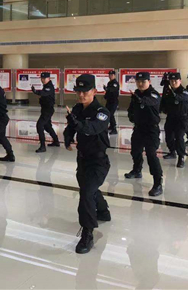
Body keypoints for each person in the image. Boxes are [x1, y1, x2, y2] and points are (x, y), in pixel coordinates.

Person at [63, 74, 111, 254]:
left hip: (98, 161)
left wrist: (76, 123)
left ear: (94, 91)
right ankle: (103, 211)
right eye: (78, 91)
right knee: (88, 189)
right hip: (82, 159)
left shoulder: (102, 112)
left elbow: (92, 129)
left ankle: (87, 233)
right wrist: (68, 138)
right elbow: (70, 128)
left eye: (85, 91)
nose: (81, 95)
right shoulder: (77, 109)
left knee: (86, 193)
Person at [124, 72, 163, 196]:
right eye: (138, 81)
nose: (140, 84)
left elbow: (149, 101)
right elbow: (131, 108)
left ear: (149, 82)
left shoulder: (154, 94)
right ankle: (137, 170)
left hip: (151, 130)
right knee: (135, 151)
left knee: (151, 155)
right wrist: (131, 116)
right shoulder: (136, 94)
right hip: (139, 129)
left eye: (143, 81)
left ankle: (158, 183)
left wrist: (139, 100)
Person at [162, 72, 188, 168]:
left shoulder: (184, 91)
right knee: (168, 137)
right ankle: (172, 152)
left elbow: (181, 98)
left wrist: (173, 93)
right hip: (171, 117)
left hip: (181, 118)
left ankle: (181, 157)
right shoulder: (167, 90)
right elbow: (163, 101)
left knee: (179, 137)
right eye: (171, 81)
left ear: (180, 81)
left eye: (175, 81)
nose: (173, 83)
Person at [32, 72, 60, 153]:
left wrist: (36, 92)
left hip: (48, 110)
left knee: (40, 125)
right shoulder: (46, 86)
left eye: (44, 78)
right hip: (45, 109)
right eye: (42, 78)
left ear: (49, 78)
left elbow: (44, 93)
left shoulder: (49, 87)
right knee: (47, 126)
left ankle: (42, 146)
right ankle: (56, 141)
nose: (43, 80)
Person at [103, 70, 119, 135]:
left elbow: (112, 90)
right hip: (109, 101)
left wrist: (107, 89)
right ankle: (111, 126)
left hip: (114, 102)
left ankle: (114, 128)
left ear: (114, 76)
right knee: (107, 113)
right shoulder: (109, 83)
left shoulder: (115, 83)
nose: (110, 76)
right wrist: (106, 96)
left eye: (112, 75)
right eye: (109, 75)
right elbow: (108, 92)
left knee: (111, 114)